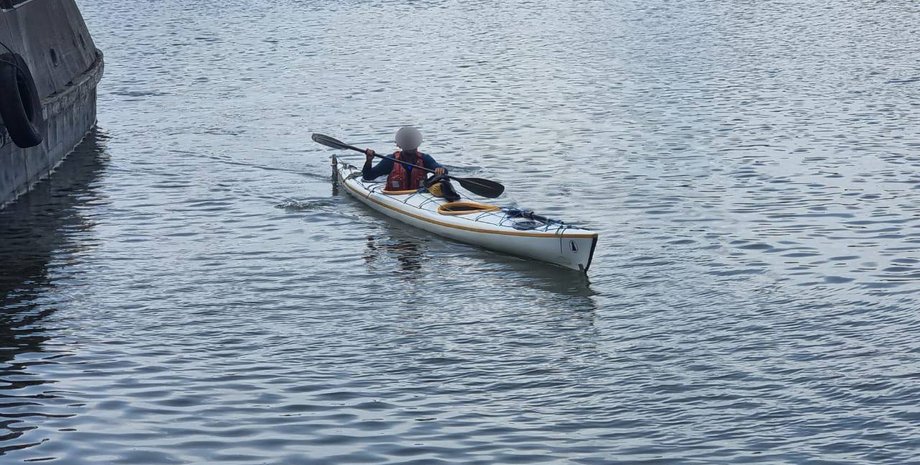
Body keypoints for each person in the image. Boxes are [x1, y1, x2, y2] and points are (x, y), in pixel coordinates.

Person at [363, 127, 459, 200]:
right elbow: (368, 176)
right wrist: (369, 160)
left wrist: (440, 169)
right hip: (395, 197)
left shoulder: (425, 158)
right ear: (399, 145)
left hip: (420, 195)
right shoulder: (391, 160)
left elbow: (441, 169)